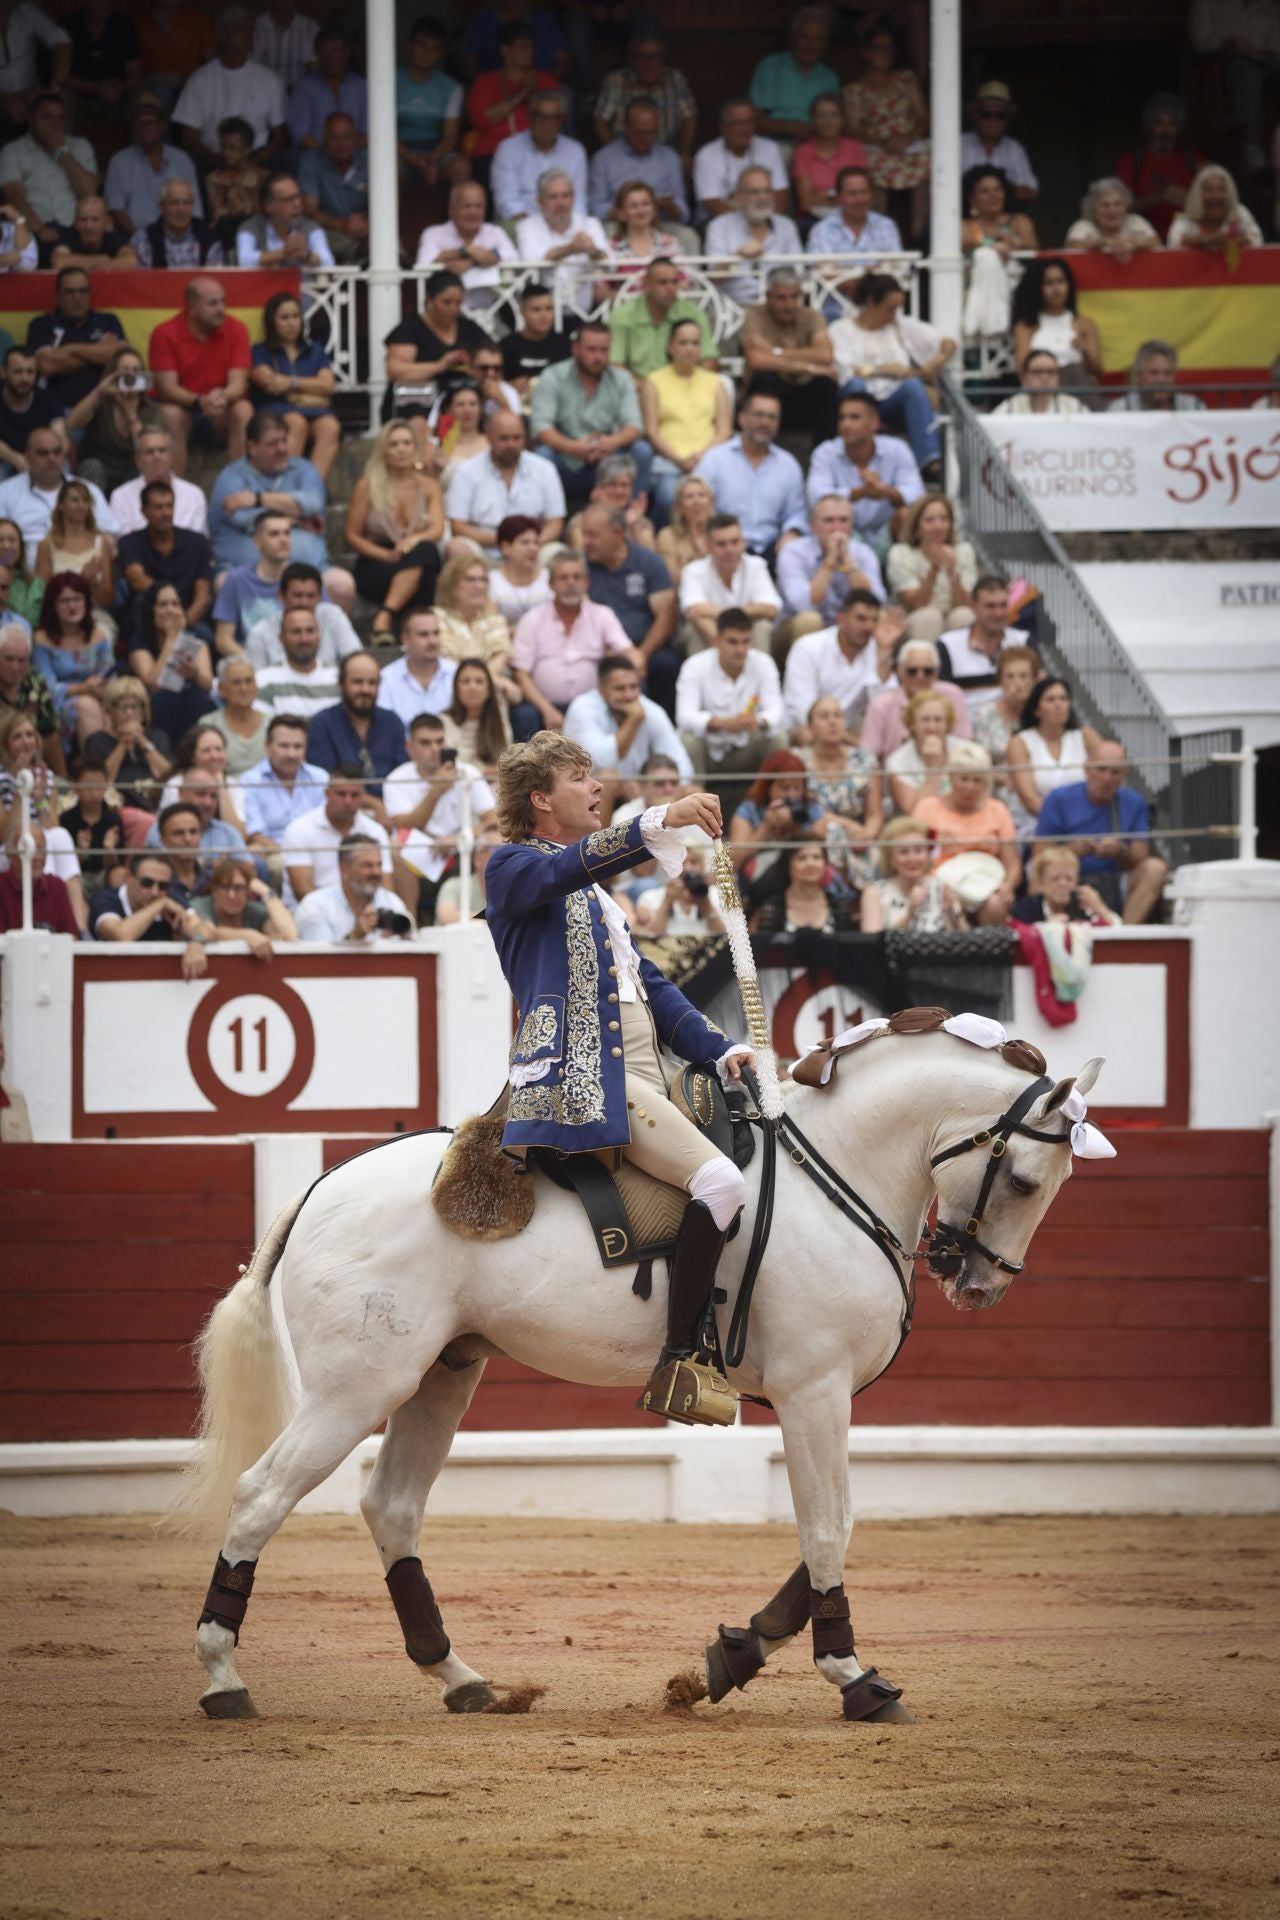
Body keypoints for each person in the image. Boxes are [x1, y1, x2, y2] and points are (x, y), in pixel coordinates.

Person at [486, 733, 753, 1418]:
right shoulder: (512, 867)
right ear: (541, 797)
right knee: (721, 1180)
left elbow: (651, 987)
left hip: (641, 1074)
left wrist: (719, 1049)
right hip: (584, 1078)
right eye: (580, 778)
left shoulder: (596, 892)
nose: (596, 786)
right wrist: (660, 818)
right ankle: (680, 1361)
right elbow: (561, 870)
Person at [209, 411, 353, 610]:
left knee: (342, 584)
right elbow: (242, 517)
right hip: (247, 574)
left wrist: (256, 499)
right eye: (272, 444)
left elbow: (313, 502)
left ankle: (328, 640)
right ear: (252, 447)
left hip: (310, 571)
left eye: (284, 441)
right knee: (224, 583)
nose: (282, 449)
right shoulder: (231, 477)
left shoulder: (303, 470)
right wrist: (295, 517)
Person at [828, 271, 951, 477]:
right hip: (856, 397)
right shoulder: (840, 329)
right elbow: (845, 370)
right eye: (890, 308)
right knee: (856, 386)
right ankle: (856, 450)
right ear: (871, 303)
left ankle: (929, 458)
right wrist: (883, 369)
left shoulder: (898, 325)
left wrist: (935, 361)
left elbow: (947, 340)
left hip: (892, 400)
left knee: (913, 387)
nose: (894, 314)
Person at [1034, 741, 1166, 924]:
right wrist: (1072, 851)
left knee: (1155, 868)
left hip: (1115, 878)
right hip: (1069, 879)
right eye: (1101, 769)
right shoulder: (1058, 799)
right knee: (1038, 876)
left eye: (1115, 772)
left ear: (1124, 775)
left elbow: (1140, 857)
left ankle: (1124, 936)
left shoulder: (1134, 802)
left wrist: (1120, 850)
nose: (1107, 778)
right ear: (1086, 768)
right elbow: (1039, 857)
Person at [383, 710, 497, 919]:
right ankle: (409, 921)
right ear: (410, 747)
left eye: (439, 741)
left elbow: (493, 819)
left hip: (463, 850)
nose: (434, 749)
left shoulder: (467, 773)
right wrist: (435, 791)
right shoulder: (396, 779)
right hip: (420, 856)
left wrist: (460, 838)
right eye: (425, 743)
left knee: (495, 843)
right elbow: (404, 825)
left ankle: (492, 917)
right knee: (394, 849)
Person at [511, 548, 638, 735]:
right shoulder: (532, 619)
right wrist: (546, 709)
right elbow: (521, 674)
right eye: (563, 578)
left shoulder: (602, 615)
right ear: (551, 584)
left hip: (594, 704)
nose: (571, 583)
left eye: (576, 577)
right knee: (524, 714)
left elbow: (629, 652)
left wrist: (634, 664)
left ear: (586, 582)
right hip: (544, 706)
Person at [343, 423, 445, 639]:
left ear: (415, 448)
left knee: (426, 552)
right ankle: (412, 632)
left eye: (407, 443)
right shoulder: (367, 486)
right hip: (377, 561)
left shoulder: (429, 486)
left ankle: (385, 616)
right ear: (384, 451)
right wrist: (386, 555)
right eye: (394, 444)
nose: (401, 449)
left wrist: (415, 538)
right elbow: (352, 535)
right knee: (424, 566)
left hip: (413, 555)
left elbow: (437, 529)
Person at [530, 320, 649, 506]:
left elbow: (635, 427)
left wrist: (610, 443)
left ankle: (630, 517)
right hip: (568, 458)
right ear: (575, 348)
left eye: (604, 350)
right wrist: (574, 447)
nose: (598, 357)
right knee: (542, 455)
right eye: (591, 350)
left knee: (642, 451)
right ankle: (545, 520)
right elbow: (541, 428)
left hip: (609, 460)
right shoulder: (553, 376)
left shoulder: (622, 379)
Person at [578, 504, 678, 715]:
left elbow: (666, 617)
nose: (585, 542)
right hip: (601, 651)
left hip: (646, 647)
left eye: (593, 535)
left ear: (617, 533)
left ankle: (663, 725)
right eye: (584, 534)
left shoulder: (648, 563)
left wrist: (641, 654)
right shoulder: (581, 567)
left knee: (666, 665)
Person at [149, 276, 253, 472]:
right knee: (170, 414)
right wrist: (199, 401)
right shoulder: (164, 333)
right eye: (213, 303)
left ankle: (240, 486)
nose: (221, 309)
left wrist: (221, 397)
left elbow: (238, 384)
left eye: (223, 301)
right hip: (185, 409)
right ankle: (172, 493)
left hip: (220, 410)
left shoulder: (237, 329)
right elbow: (167, 389)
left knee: (243, 409)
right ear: (192, 308)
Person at [675, 607, 786, 784]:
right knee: (689, 740)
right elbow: (684, 717)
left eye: (745, 642)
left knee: (777, 738)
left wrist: (758, 721)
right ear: (716, 641)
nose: (740, 649)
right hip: (708, 750)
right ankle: (693, 801)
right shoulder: (694, 666)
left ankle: (773, 803)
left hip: (747, 746)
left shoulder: (763, 663)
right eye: (733, 642)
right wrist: (718, 723)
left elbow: (776, 711)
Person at [916, 740, 1021, 924]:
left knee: (996, 905)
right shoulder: (928, 807)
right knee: (945, 906)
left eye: (977, 780)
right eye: (963, 779)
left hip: (986, 884)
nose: (969, 787)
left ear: (986, 783)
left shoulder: (998, 810)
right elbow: (916, 856)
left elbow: (1012, 864)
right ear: (951, 778)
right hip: (940, 883)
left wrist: (1008, 886)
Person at [382, 268, 490, 448]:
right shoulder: (410, 329)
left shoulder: (469, 328)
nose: (453, 309)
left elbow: (490, 356)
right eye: (446, 302)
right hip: (418, 397)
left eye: (458, 303)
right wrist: (440, 365)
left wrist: (474, 368)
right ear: (429, 299)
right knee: (418, 425)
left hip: (459, 396)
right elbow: (394, 371)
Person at [695, 389, 807, 561]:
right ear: (741, 418)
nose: (764, 422)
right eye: (758, 415)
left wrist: (792, 532)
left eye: (771, 417)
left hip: (773, 549)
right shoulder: (715, 459)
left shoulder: (788, 465)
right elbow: (698, 509)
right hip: (724, 548)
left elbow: (797, 512)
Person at [636, 322, 730, 525]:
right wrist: (679, 459)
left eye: (695, 343)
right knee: (668, 496)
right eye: (683, 342)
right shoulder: (653, 381)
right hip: (668, 463)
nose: (689, 348)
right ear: (670, 347)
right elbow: (651, 431)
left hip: (709, 462)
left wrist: (702, 456)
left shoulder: (716, 383)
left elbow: (724, 430)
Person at [171, 6, 287, 168]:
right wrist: (218, 161)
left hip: (256, 159)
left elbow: (280, 137)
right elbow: (189, 138)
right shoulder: (200, 79)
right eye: (241, 30)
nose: (248, 36)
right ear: (223, 36)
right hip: (214, 158)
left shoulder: (269, 79)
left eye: (250, 30)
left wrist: (254, 160)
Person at [807, 392, 923, 549]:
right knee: (827, 519)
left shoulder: (897, 449)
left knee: (907, 514)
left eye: (854, 417)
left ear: (874, 423)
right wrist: (860, 493)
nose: (846, 424)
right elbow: (817, 497)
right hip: (844, 530)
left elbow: (917, 494)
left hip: (887, 531)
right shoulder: (825, 452)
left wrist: (885, 492)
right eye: (842, 418)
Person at [446, 408, 565, 560]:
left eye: (517, 438)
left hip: (533, 548)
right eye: (504, 439)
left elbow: (555, 522)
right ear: (488, 437)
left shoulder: (545, 469)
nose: (511, 445)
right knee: (457, 548)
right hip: (484, 550)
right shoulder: (466, 471)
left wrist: (529, 544)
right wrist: (504, 542)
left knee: (558, 554)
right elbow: (458, 525)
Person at [246, 291, 340, 484]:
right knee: (296, 422)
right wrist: (311, 388)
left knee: (330, 426)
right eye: (284, 317)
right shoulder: (260, 351)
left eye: (296, 316)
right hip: (276, 408)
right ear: (272, 322)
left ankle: (312, 489)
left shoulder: (314, 350)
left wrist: (291, 383)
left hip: (314, 410)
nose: (291, 323)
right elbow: (268, 382)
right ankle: (285, 487)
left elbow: (328, 385)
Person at [741, 269, 840, 449]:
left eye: (794, 297)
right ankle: (760, 449)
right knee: (765, 377)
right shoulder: (754, 315)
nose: (789, 304)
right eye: (782, 298)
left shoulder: (812, 316)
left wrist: (775, 351)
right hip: (772, 392)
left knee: (827, 383)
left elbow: (825, 355)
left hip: (804, 396)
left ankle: (824, 455)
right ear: (768, 296)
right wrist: (809, 367)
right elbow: (757, 360)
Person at [841, 25, 929, 219]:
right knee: (870, 171)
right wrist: (882, 143)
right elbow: (852, 129)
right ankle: (878, 231)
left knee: (933, 164)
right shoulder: (855, 90)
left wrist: (909, 137)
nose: (885, 53)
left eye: (889, 48)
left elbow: (923, 116)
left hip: (909, 142)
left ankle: (918, 236)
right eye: (879, 47)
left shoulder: (906, 79)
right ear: (865, 52)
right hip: (876, 146)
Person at [776, 494, 885, 652]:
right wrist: (830, 561)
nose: (836, 528)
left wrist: (849, 563)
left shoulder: (863, 553)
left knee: (879, 618)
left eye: (843, 520)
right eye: (829, 520)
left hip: (846, 625)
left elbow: (874, 602)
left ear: (851, 525)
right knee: (809, 620)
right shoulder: (793, 552)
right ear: (812, 526)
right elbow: (803, 604)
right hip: (796, 630)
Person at [0, 427, 115, 572]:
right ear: (28, 457)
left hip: (84, 579)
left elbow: (110, 536)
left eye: (56, 452)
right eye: (43, 453)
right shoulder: (4, 493)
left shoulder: (88, 490)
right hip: (24, 581)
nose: (51, 459)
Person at [564, 652, 690, 781]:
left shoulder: (650, 709)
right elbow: (601, 761)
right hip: (588, 786)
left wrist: (647, 789)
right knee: (609, 778)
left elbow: (682, 765)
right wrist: (634, 720)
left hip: (639, 789)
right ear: (601, 689)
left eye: (634, 687)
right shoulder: (582, 708)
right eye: (620, 689)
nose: (629, 696)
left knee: (689, 789)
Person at [799, 692, 882, 887]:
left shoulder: (865, 760)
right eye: (824, 717)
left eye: (837, 716)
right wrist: (848, 826)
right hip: (814, 835)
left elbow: (874, 814)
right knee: (834, 832)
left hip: (859, 835)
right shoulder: (798, 762)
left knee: (876, 852)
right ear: (810, 727)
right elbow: (806, 810)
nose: (832, 722)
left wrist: (866, 836)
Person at [281, 764, 394, 903]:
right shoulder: (299, 830)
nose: (348, 801)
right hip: (312, 912)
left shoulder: (375, 831)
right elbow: (302, 890)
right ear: (327, 793)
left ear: (363, 796)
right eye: (341, 794)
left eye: (355, 795)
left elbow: (385, 886)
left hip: (364, 911)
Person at [781, 587, 882, 738]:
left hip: (848, 728)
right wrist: (838, 734)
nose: (869, 627)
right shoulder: (808, 648)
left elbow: (882, 705)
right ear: (841, 620)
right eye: (861, 619)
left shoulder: (878, 648)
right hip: (809, 728)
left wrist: (885, 654)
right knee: (806, 734)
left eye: (874, 620)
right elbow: (802, 710)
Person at [64, 345, 163, 498]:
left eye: (136, 370)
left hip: (130, 474)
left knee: (145, 465)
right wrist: (98, 392)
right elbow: (72, 423)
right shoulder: (103, 401)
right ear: (113, 373)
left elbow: (146, 448)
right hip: (98, 470)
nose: (130, 375)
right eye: (125, 369)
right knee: (92, 467)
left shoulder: (151, 408)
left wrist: (131, 415)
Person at [0, 92, 97, 244]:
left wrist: (60, 149)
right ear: (31, 119)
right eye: (47, 117)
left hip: (77, 229)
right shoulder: (12, 151)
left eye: (60, 118)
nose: (55, 123)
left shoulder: (80, 146)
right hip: (34, 231)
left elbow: (89, 192)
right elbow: (14, 196)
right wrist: (39, 230)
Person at [1006, 676, 1105, 826]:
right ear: (1037, 710)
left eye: (1063, 698)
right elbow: (1029, 798)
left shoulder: (1086, 736)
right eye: (1051, 700)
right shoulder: (1020, 743)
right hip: (1036, 822)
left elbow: (1106, 779)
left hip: (1087, 820)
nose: (1058, 704)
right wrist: (1063, 824)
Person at [678, 513, 781, 655]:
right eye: (721, 544)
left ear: (744, 543)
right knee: (694, 628)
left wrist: (719, 612)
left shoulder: (756, 565)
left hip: (746, 636)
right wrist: (724, 642)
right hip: (712, 636)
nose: (730, 550)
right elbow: (694, 612)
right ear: (709, 546)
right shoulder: (693, 571)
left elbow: (771, 610)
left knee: (762, 626)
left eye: (735, 542)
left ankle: (756, 674)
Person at [32, 569, 114, 746]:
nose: (72, 606)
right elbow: (46, 687)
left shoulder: (98, 636)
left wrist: (100, 688)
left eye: (77, 599)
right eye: (64, 601)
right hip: (56, 704)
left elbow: (109, 677)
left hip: (97, 698)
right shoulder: (42, 640)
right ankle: (95, 765)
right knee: (87, 705)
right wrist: (83, 688)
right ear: (53, 605)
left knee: (111, 708)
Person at [26, 266, 123, 415]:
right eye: (70, 292)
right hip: (58, 412)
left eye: (82, 291)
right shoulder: (41, 324)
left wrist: (71, 349)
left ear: (90, 295)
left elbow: (120, 358)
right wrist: (99, 351)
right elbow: (46, 365)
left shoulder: (109, 321)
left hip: (105, 411)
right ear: (57, 297)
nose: (77, 298)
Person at [515, 166, 609, 318]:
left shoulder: (590, 223)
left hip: (586, 314)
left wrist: (592, 250)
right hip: (542, 317)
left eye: (565, 196)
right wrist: (571, 248)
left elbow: (609, 263)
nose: (561, 203)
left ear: (574, 197)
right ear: (540, 201)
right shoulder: (526, 227)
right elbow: (530, 261)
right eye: (553, 197)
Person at [181, 852, 297, 975]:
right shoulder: (200, 906)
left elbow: (289, 934)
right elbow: (204, 930)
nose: (231, 895)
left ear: (248, 892)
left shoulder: (253, 910)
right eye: (224, 887)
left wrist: (265, 891)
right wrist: (248, 936)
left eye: (238, 888)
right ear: (214, 890)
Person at [465, 19, 559, 169]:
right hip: (493, 152)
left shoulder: (543, 79)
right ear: (505, 51)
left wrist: (534, 91)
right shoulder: (486, 81)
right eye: (523, 47)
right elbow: (480, 120)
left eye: (531, 47)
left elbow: (557, 118)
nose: (530, 52)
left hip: (536, 151)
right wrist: (522, 93)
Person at [128, 579, 215, 740]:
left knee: (200, 698)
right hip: (157, 707)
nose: (171, 610)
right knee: (164, 698)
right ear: (151, 610)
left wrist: (193, 674)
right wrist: (172, 639)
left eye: (175, 604)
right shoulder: (140, 641)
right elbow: (153, 684)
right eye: (163, 605)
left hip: (191, 704)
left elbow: (208, 684)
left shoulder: (197, 639)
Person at [859, 634, 972, 759]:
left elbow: (964, 745)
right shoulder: (880, 705)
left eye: (927, 671)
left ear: (937, 672)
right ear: (899, 671)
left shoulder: (953, 695)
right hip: (894, 773)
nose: (920, 676)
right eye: (912, 671)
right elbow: (868, 755)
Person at [705, 166, 803, 308]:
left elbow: (798, 272)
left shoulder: (786, 226)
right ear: (739, 196)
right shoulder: (719, 226)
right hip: (733, 308)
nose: (762, 197)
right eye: (754, 192)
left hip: (781, 308)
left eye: (767, 191)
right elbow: (714, 277)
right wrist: (737, 256)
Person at [960, 164, 1036, 343]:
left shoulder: (1018, 220)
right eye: (984, 191)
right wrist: (993, 244)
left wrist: (1013, 243)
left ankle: (993, 328)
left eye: (998, 189)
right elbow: (964, 241)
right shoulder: (965, 224)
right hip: (974, 285)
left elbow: (1032, 246)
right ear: (972, 197)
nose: (993, 195)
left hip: (1014, 286)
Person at [1114, 93, 1204, 244]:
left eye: (1172, 124)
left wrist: (1189, 199)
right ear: (1149, 126)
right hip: (1141, 244)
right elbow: (1118, 207)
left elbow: (1215, 198)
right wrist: (1157, 198)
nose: (1165, 130)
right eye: (1159, 123)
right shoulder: (1131, 161)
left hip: (1188, 243)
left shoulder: (1193, 160)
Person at [592, 31, 696, 161]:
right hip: (626, 150)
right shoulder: (616, 81)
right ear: (632, 58)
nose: (649, 63)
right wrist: (616, 155)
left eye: (655, 56)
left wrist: (684, 152)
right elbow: (600, 121)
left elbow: (689, 118)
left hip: (666, 151)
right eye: (642, 56)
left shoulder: (675, 79)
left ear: (663, 58)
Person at [294, 832, 415, 941]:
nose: (376, 872)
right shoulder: (315, 906)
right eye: (367, 865)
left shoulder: (392, 902)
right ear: (344, 870)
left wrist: (404, 937)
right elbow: (320, 961)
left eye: (379, 865)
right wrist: (354, 937)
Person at [489, 85, 586, 222]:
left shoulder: (575, 151)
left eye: (553, 118)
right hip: (521, 223)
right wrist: (535, 230)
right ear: (530, 118)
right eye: (542, 117)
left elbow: (578, 203)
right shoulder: (508, 149)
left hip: (563, 224)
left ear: (561, 121)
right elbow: (507, 202)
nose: (547, 124)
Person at [241, 561, 358, 674]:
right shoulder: (260, 633)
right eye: (297, 595)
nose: (304, 603)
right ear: (281, 595)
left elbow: (356, 661)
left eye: (310, 595)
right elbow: (255, 682)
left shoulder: (333, 616)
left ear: (320, 596)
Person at [415, 180, 515, 310]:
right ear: (452, 210)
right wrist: (465, 251)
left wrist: (471, 263)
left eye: (479, 206)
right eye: (467, 206)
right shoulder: (433, 233)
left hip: (488, 314)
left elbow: (513, 257)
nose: (473, 212)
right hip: (444, 316)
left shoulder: (495, 232)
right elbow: (424, 264)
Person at [589, 95, 688, 226]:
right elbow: (594, 208)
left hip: (659, 224)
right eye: (641, 133)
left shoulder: (669, 158)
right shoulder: (603, 159)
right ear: (626, 127)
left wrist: (670, 206)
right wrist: (628, 210)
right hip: (619, 226)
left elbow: (684, 213)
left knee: (688, 237)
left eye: (652, 132)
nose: (646, 138)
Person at [395, 15, 463, 198]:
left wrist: (432, 158)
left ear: (441, 53)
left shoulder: (451, 87)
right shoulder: (390, 81)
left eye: (434, 48)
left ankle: (458, 225)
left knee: (461, 168)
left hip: (436, 152)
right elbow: (385, 133)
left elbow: (450, 135)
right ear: (409, 46)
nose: (427, 53)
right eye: (421, 45)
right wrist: (413, 159)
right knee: (389, 169)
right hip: (400, 152)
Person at [859, 813, 963, 932]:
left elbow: (965, 940)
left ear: (928, 854)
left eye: (918, 850)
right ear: (892, 859)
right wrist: (908, 917)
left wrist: (955, 914)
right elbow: (871, 944)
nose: (912, 858)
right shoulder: (875, 893)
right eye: (904, 852)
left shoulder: (941, 887)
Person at [727, 748, 824, 875]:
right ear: (768, 788)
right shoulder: (748, 810)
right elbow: (735, 861)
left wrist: (794, 827)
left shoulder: (811, 808)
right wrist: (766, 827)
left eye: (797, 788)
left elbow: (821, 852)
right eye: (784, 788)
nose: (792, 795)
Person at [972, 644, 1040, 824]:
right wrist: (1001, 778)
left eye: (1024, 676)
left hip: (1037, 786)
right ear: (1000, 681)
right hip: (998, 790)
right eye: (1010, 676)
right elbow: (978, 762)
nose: (1017, 683)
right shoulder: (984, 714)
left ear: (1034, 680)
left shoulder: (1042, 713)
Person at [1010, 257, 1102, 391]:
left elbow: (1097, 373)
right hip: (1040, 392)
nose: (1056, 288)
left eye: (1061, 281)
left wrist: (1085, 350)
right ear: (1038, 288)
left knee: (1073, 370)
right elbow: (1022, 371)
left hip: (1078, 394)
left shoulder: (1085, 324)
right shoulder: (1025, 326)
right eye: (1048, 283)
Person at [83, 673, 174, 806]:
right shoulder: (97, 741)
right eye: (124, 707)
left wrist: (143, 741)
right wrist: (123, 744)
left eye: (135, 706)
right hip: (119, 804)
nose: (129, 713)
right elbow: (102, 781)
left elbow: (170, 776)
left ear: (143, 711)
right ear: (111, 711)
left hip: (157, 801)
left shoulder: (157, 737)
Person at [241, 713, 326, 851]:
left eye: (298, 746)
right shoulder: (250, 781)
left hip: (316, 851)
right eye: (284, 746)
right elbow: (255, 833)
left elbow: (326, 825)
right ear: (267, 746)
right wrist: (289, 856)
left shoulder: (320, 778)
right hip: (271, 853)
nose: (291, 754)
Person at [693, 97, 787, 222]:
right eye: (738, 123)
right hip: (719, 224)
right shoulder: (706, 155)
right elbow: (714, 207)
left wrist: (763, 228)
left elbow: (780, 198)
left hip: (765, 222)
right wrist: (746, 231)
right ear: (723, 127)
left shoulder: (770, 148)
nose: (745, 128)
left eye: (749, 122)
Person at [886, 495, 977, 622]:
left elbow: (967, 605)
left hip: (953, 615)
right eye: (929, 520)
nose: (938, 526)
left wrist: (952, 572)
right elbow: (916, 605)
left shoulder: (964, 551)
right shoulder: (901, 553)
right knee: (929, 617)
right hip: (916, 619)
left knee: (964, 615)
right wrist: (934, 569)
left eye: (944, 519)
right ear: (917, 527)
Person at [431, 556, 515, 692]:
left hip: (491, 693)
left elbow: (501, 655)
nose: (479, 585)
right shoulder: (436, 617)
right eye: (471, 580)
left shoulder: (494, 619)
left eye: (483, 580)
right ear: (451, 586)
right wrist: (488, 680)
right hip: (449, 689)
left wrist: (482, 681)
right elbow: (447, 659)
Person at [298, 112, 369, 267]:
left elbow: (384, 206)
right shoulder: (310, 162)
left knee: (387, 239)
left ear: (356, 139)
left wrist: (366, 224)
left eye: (346, 138)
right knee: (314, 234)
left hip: (364, 228)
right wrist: (341, 225)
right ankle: (359, 254)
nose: (341, 144)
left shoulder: (369, 159)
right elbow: (309, 210)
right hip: (329, 229)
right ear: (324, 138)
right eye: (334, 138)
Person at [33, 480, 114, 616]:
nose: (81, 505)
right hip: (58, 616)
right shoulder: (47, 545)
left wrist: (94, 585)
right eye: (74, 500)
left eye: (85, 500)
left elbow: (107, 600)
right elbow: (41, 595)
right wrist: (82, 580)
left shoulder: (102, 543)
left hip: (93, 615)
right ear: (61, 505)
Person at [108, 427, 207, 537]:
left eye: (162, 450)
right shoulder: (121, 497)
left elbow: (199, 542)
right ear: (138, 460)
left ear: (171, 457)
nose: (157, 456)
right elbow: (123, 542)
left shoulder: (194, 495)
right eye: (149, 452)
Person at [375, 604, 457, 731]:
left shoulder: (456, 674)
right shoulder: (386, 679)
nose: (432, 641)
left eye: (436, 633)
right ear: (405, 639)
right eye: (423, 635)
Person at [252, 604, 340, 721]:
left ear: (319, 636)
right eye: (296, 632)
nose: (304, 639)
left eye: (310, 631)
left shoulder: (339, 678)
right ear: (281, 638)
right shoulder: (262, 681)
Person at [235, 170, 334, 272]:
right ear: (268, 206)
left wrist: (307, 257)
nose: (297, 204)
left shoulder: (310, 227)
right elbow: (244, 260)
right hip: (264, 287)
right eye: (289, 199)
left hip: (303, 287)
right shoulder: (251, 227)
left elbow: (328, 262)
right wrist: (283, 253)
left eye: (298, 196)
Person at [806, 166, 903, 270]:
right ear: (839, 198)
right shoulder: (822, 230)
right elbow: (823, 274)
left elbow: (897, 268)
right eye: (852, 194)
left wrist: (847, 272)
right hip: (835, 287)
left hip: (883, 286)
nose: (859, 199)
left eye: (864, 192)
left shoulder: (886, 226)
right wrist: (870, 272)